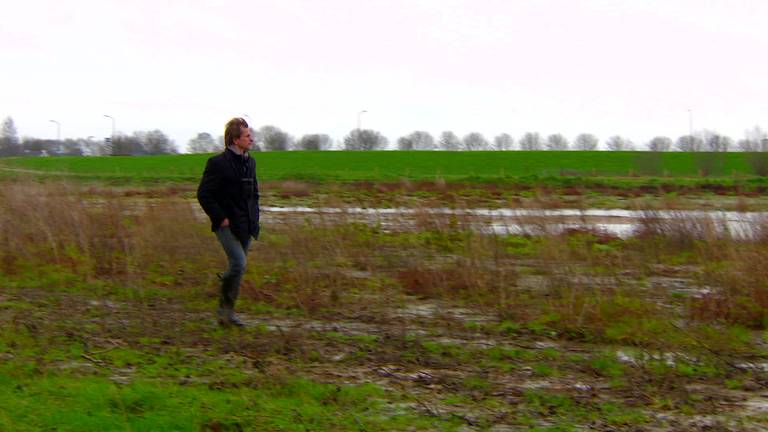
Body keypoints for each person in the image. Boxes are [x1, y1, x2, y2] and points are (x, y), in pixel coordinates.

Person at [197, 117, 260, 327]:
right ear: (234, 140)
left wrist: (255, 220)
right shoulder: (217, 163)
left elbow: (254, 195)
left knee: (238, 269)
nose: (251, 139)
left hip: (246, 226)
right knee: (239, 264)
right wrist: (220, 218)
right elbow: (204, 194)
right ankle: (224, 313)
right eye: (247, 136)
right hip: (226, 225)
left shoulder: (250, 162)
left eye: (250, 135)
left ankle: (228, 315)